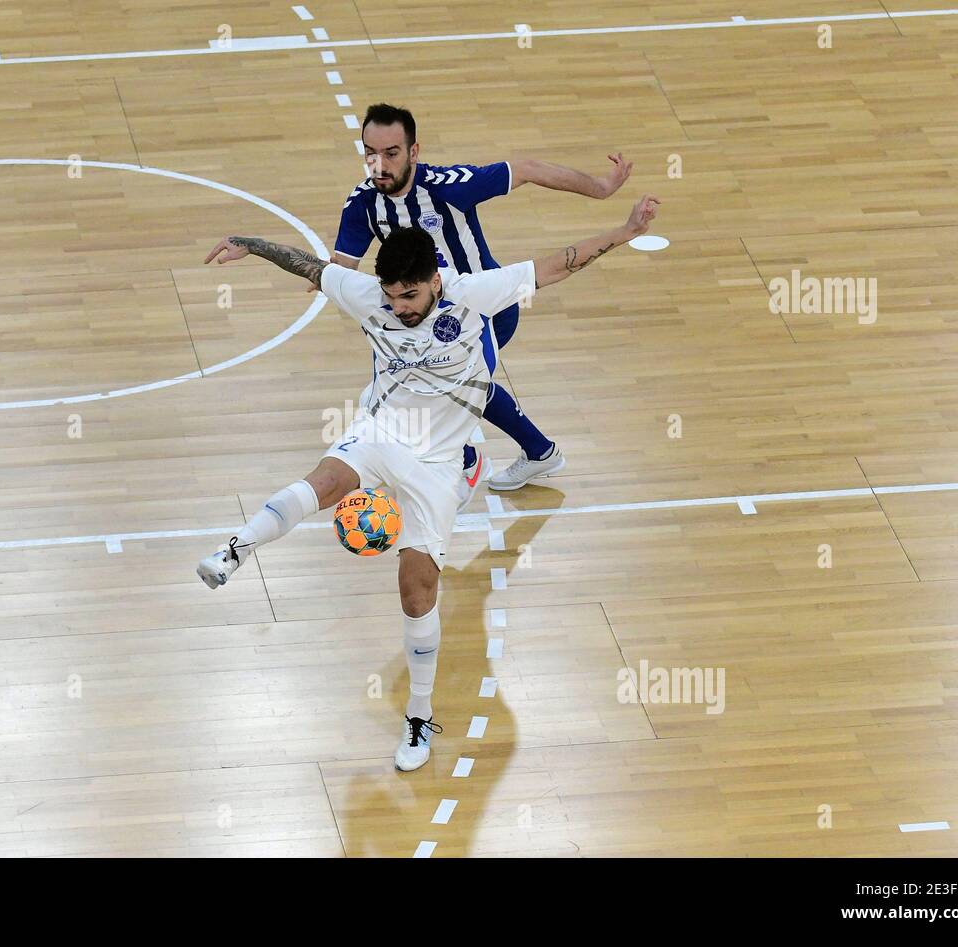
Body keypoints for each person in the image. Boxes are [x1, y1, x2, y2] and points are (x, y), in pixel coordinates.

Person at [198, 193, 660, 771]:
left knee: (417, 592)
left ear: (434, 281)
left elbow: (559, 263)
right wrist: (252, 244)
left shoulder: (472, 295)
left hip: (440, 464)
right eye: (390, 297)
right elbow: (310, 265)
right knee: (324, 481)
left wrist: (623, 229)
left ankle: (419, 717)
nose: (399, 309)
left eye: (409, 296)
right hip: (381, 431)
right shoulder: (369, 295)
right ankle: (235, 549)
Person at [332, 102, 634, 492]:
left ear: (414, 152)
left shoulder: (449, 186)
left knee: (445, 381)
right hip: (427, 314)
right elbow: (342, 264)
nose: (380, 165)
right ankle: (539, 452)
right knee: (451, 379)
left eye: (391, 153)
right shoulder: (362, 203)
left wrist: (603, 188)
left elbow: (524, 169)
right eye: (371, 154)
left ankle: (467, 462)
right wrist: (327, 275)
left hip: (486, 307)